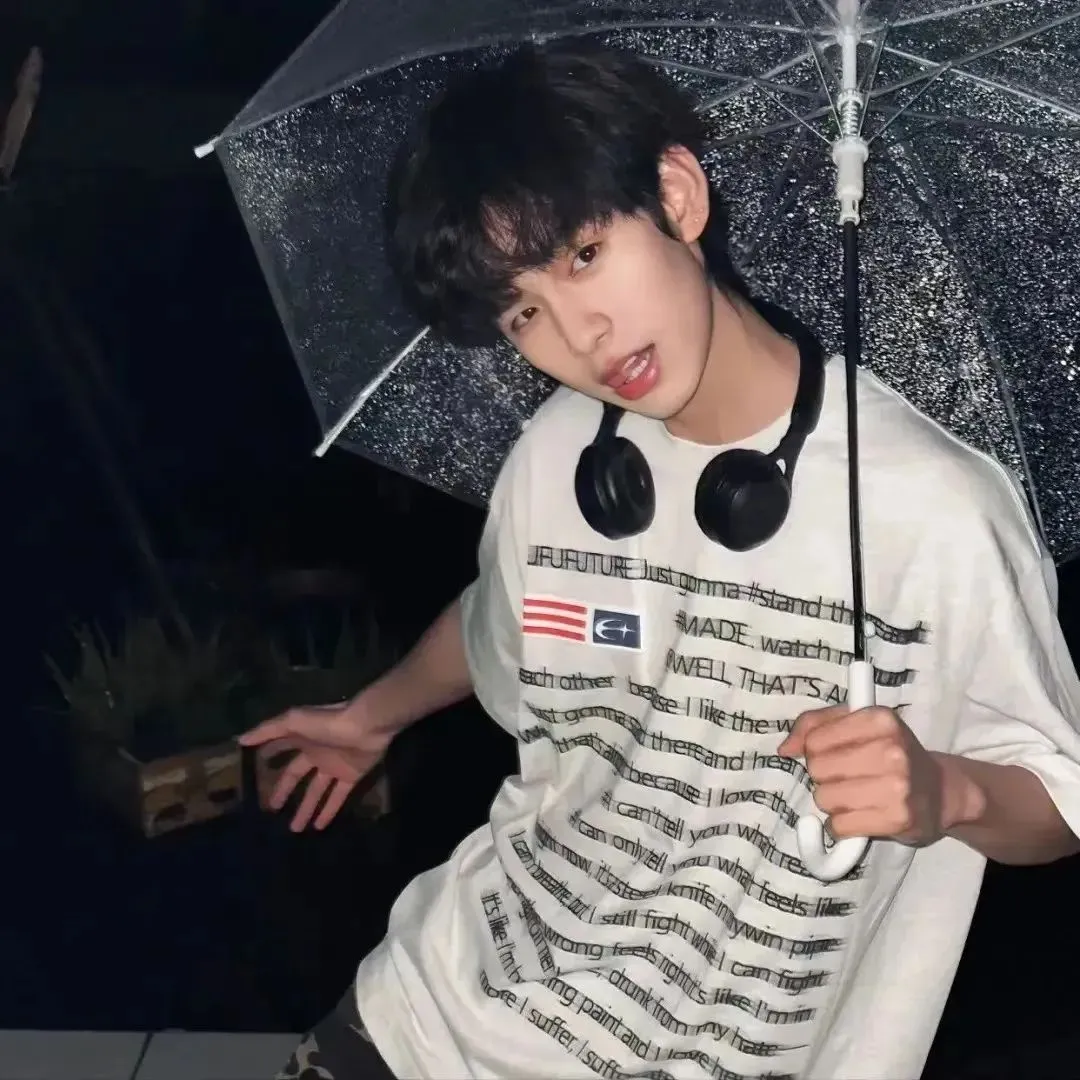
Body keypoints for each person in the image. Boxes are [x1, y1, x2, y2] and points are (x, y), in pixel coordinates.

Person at [250, 42, 1080, 1080]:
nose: (581, 332)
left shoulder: (934, 509)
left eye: (583, 254)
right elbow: (498, 619)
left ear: (677, 196)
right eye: (523, 311)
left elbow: (1061, 801)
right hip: (436, 1018)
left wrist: (947, 792)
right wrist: (370, 718)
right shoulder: (559, 457)